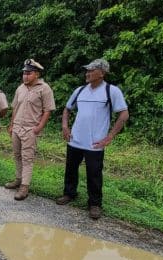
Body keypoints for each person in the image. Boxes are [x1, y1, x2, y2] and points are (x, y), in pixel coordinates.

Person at [55, 58, 129, 219]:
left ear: (102, 73)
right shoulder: (80, 90)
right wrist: (65, 127)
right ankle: (69, 193)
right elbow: (67, 109)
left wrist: (109, 137)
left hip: (95, 143)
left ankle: (95, 204)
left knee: (94, 173)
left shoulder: (112, 91)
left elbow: (124, 114)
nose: (87, 73)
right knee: (70, 168)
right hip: (75, 139)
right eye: (87, 70)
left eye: (91, 70)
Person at [5, 59, 56, 200]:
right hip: (17, 127)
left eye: (29, 73)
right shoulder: (20, 88)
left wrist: (39, 127)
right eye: (24, 73)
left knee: (27, 158)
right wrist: (11, 124)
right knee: (17, 155)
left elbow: (47, 110)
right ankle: (18, 179)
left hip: (30, 129)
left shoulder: (44, 88)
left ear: (37, 74)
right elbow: (15, 107)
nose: (25, 76)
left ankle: (24, 187)